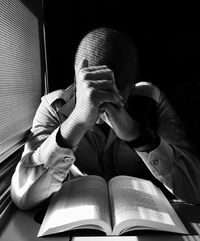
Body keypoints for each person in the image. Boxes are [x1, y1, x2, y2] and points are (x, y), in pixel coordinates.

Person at [11, 27, 200, 210]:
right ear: (77, 81)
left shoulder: (151, 101)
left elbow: (196, 190)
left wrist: (138, 136)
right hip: (80, 218)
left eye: (114, 99)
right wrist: (75, 122)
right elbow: (23, 196)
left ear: (132, 89)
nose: (100, 115)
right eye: (91, 95)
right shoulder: (54, 107)